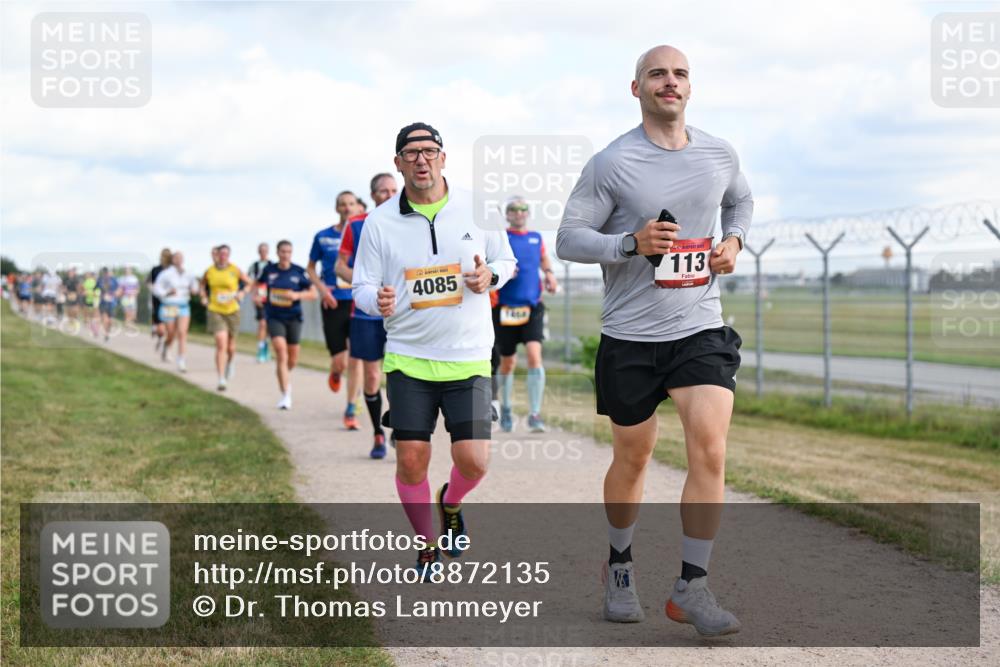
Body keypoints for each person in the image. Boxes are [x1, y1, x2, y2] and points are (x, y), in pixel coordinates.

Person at [556, 45, 752, 636]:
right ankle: (619, 564)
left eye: (680, 73)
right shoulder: (612, 163)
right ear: (637, 87)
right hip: (630, 336)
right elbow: (568, 238)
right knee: (633, 456)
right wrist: (630, 244)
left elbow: (740, 200)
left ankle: (692, 585)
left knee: (710, 447)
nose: (671, 81)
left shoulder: (719, 153)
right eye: (658, 73)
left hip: (699, 326)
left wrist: (734, 241)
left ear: (691, 87)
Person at [353, 122, 516, 572]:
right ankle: (427, 543)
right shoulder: (379, 222)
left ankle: (451, 502)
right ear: (398, 163)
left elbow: (506, 260)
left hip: (469, 356)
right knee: (411, 460)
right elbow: (361, 287)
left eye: (429, 151)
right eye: (411, 152)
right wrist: (376, 300)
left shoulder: (477, 208)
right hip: (409, 357)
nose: (421, 159)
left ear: (443, 157)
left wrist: (491, 276)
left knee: (474, 462)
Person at [335, 172, 398, 459]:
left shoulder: (411, 222)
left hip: (401, 312)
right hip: (367, 313)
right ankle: (377, 433)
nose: (390, 195)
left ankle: (399, 422)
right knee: (372, 375)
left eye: (394, 190)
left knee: (401, 373)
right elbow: (340, 267)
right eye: (383, 191)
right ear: (372, 196)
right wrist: (366, 284)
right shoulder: (357, 224)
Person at [494, 196, 559, 433]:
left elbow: (543, 258)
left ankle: (534, 414)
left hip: (532, 307)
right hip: (505, 308)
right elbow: (492, 262)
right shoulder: (501, 237)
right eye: (513, 209)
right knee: (508, 363)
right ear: (507, 214)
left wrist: (549, 273)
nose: (519, 212)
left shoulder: (536, 237)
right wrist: (502, 271)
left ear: (528, 213)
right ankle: (506, 407)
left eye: (523, 209)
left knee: (534, 356)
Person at [309, 190, 365, 430]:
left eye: (351, 203)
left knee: (356, 357)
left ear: (357, 207)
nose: (347, 208)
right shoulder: (323, 237)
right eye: (342, 204)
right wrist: (323, 290)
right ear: (336, 208)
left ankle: (351, 408)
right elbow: (310, 268)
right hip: (332, 301)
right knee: (340, 361)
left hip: (357, 301)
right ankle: (335, 372)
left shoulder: (363, 233)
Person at [259, 240, 317, 409]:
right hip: (274, 317)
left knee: (292, 359)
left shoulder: (298, 271)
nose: (285, 254)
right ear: (277, 252)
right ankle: (286, 394)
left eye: (288, 252)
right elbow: (259, 286)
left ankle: (282, 372)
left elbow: (313, 294)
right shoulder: (269, 270)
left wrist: (297, 296)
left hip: (294, 317)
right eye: (283, 251)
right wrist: (258, 296)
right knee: (280, 351)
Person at [201, 244, 252, 391]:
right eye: (221, 253)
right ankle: (221, 378)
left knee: (230, 346)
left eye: (226, 254)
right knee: (220, 343)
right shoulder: (209, 271)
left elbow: (249, 283)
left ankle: (230, 362)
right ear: (217, 255)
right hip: (215, 310)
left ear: (229, 255)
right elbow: (202, 286)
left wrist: (242, 292)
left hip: (232, 310)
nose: (223, 256)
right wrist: (204, 297)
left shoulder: (235, 269)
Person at [153, 251, 199, 373]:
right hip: (170, 305)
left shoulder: (189, 273)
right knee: (171, 333)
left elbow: (195, 286)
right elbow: (156, 289)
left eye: (180, 257)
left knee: (182, 333)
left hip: (183, 305)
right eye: (176, 258)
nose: (179, 260)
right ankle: (167, 346)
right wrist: (167, 292)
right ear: (173, 260)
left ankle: (181, 361)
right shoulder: (166, 274)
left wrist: (194, 290)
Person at [248, 242, 272, 363]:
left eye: (265, 250)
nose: (263, 252)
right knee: (262, 323)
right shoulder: (254, 266)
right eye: (261, 250)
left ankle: (266, 346)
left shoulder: (272, 265)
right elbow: (250, 282)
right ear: (258, 252)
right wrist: (254, 296)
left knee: (269, 326)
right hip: (260, 298)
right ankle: (261, 349)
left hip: (271, 298)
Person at [149, 248, 172, 353]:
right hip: (157, 300)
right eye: (163, 255)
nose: (165, 258)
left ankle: (166, 346)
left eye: (167, 256)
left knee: (170, 325)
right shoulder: (155, 269)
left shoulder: (173, 270)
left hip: (171, 300)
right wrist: (153, 288)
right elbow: (149, 282)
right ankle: (160, 338)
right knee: (161, 326)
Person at [95, 267, 120, 342]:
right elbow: (95, 289)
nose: (106, 274)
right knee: (105, 319)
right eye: (104, 272)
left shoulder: (114, 280)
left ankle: (107, 331)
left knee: (110, 321)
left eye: (107, 272)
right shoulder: (100, 280)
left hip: (112, 303)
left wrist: (116, 293)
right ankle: (106, 334)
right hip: (103, 302)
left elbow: (119, 289)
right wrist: (99, 295)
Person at [82, 271, 99, 336]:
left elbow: (97, 294)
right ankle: (93, 329)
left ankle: (95, 330)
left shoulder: (96, 283)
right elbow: (84, 290)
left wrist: (88, 293)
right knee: (91, 316)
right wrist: (85, 293)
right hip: (88, 300)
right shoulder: (86, 282)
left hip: (95, 300)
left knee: (94, 316)